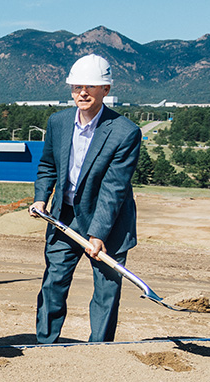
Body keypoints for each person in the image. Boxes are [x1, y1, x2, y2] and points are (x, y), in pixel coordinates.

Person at [31, 54, 141, 344]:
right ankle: (45, 344)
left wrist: (98, 233)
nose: (82, 92)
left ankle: (98, 352)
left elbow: (114, 188)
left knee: (106, 292)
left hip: (109, 224)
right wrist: (42, 198)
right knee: (53, 283)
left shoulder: (125, 132)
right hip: (64, 217)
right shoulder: (58, 122)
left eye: (90, 87)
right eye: (77, 86)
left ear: (105, 90)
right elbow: (47, 166)